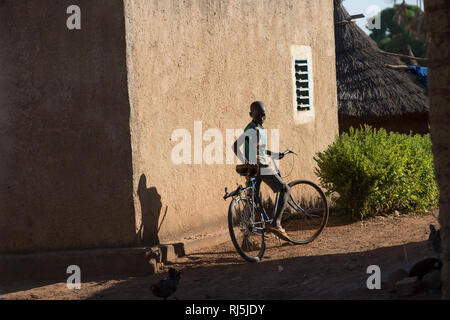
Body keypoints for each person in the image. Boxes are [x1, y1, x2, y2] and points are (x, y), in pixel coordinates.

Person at [232, 101, 291, 241]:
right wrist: (246, 161)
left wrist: (275, 154)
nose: (261, 118)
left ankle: (246, 241)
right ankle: (276, 223)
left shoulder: (258, 128)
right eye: (258, 115)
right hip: (260, 167)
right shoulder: (252, 129)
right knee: (285, 189)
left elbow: (261, 150)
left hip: (255, 168)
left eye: (263, 115)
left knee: (253, 202)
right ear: (250, 115)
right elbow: (235, 146)